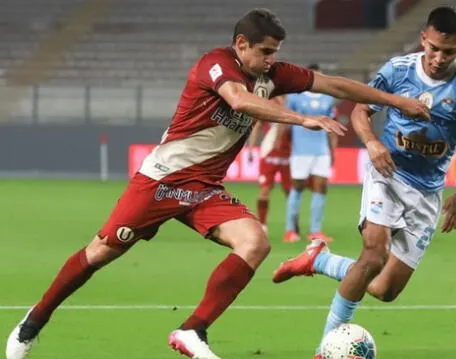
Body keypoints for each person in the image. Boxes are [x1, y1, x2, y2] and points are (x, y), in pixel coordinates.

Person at [5, 8, 430, 359]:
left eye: (275, 53)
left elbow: (335, 84)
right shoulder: (216, 64)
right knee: (99, 253)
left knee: (256, 243)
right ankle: (32, 322)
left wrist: (394, 100)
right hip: (161, 181)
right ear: (241, 44)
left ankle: (193, 331)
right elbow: (239, 101)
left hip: (203, 188)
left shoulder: (273, 74)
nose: (270, 60)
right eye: (264, 52)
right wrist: (300, 118)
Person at [271, 6, 456, 358]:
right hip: (387, 174)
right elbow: (360, 110)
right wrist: (373, 143)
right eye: (433, 47)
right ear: (423, 38)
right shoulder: (398, 70)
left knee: (385, 288)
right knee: (374, 253)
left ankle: (321, 260)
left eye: (448, 51)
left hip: (427, 191)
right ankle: (324, 348)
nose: (438, 57)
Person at [284, 64, 338, 243]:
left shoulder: (328, 99)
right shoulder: (295, 97)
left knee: (321, 187)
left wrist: (332, 150)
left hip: (321, 150)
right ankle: (290, 230)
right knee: (297, 188)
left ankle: (315, 230)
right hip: (300, 151)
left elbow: (332, 126)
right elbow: (285, 121)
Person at [246, 95, 292, 233]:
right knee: (264, 191)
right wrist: (251, 148)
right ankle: (263, 225)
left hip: (289, 154)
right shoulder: (268, 103)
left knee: (291, 193)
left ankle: (292, 227)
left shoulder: (293, 102)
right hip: (269, 153)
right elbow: (258, 125)